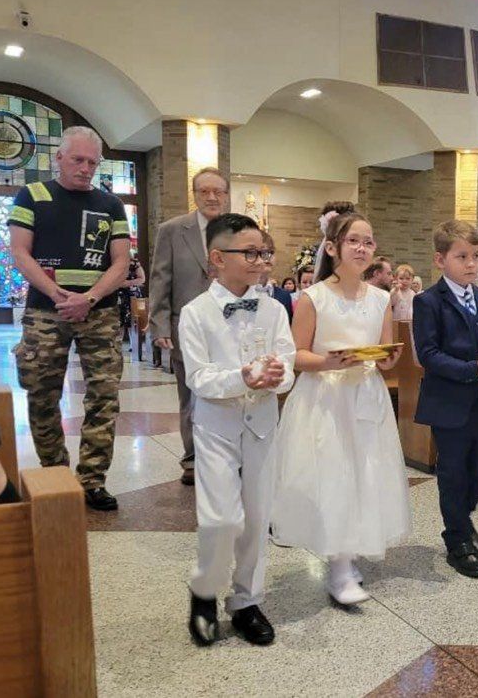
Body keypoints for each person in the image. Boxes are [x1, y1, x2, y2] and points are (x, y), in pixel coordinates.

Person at [272, 211, 411, 608]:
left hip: (366, 394)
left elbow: (384, 353)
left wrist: (386, 360)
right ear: (333, 248)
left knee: (365, 471)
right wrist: (327, 362)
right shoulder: (314, 297)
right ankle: (338, 565)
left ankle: (350, 552)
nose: (362, 248)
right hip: (326, 396)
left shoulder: (382, 299)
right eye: (353, 241)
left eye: (368, 241)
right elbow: (295, 354)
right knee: (333, 473)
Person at [179, 213, 295, 647]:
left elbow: (289, 364)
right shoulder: (196, 313)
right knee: (221, 519)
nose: (260, 260)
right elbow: (199, 378)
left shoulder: (273, 309)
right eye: (249, 252)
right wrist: (241, 378)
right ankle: (204, 591)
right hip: (217, 429)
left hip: (263, 424)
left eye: (263, 252)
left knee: (257, 516)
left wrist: (278, 378)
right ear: (217, 258)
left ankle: (246, 600)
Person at [8, 126, 130, 511]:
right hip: (46, 312)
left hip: (100, 313)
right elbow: (20, 253)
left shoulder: (110, 204)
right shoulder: (32, 195)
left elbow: (122, 263)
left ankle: (93, 479)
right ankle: (56, 474)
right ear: (58, 157)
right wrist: (55, 292)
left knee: (104, 398)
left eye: (92, 162)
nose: (85, 168)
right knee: (43, 395)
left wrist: (89, 298)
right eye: (78, 159)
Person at [413, 220, 478, 580]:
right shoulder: (428, 302)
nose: (471, 264)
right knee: (453, 471)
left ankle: (462, 516)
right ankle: (457, 539)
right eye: (462, 257)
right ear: (440, 260)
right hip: (450, 401)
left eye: (476, 256)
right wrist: (474, 368)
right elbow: (429, 354)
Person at [150, 167, 229, 486]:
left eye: (218, 192)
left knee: (228, 392)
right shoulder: (173, 230)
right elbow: (160, 279)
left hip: (229, 325)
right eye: (204, 191)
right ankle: (192, 459)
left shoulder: (237, 230)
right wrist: (159, 325)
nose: (211, 197)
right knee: (192, 395)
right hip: (186, 326)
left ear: (226, 195)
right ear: (194, 194)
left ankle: (226, 454)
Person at [255, 231, 293, 322]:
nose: (268, 257)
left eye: (271, 252)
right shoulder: (240, 292)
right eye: (263, 252)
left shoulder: (284, 295)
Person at [118, 251, 146, 335]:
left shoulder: (134, 263)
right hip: (118, 295)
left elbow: (142, 279)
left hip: (133, 294)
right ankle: (118, 344)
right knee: (119, 320)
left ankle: (133, 345)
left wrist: (127, 283)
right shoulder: (113, 263)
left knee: (134, 320)